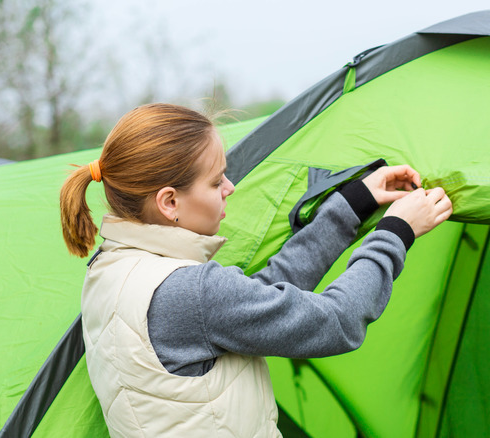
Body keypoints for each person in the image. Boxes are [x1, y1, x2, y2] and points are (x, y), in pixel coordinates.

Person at [59, 103, 452, 437]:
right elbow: (338, 321)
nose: (229, 188)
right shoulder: (189, 291)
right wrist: (396, 231)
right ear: (169, 202)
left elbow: (256, 297)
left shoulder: (109, 270)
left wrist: (353, 203)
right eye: (215, 182)